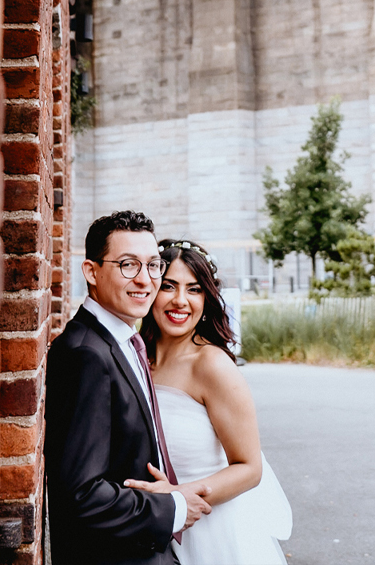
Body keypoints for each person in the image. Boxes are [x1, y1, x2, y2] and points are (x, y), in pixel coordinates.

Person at [45, 210, 208, 565]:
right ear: (91, 272)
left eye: (153, 265)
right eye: (128, 265)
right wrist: (174, 508)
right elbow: (81, 494)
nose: (145, 280)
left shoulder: (122, 339)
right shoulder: (85, 355)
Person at [129, 239, 293, 565]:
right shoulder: (134, 356)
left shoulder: (212, 366)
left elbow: (249, 468)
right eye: (169, 286)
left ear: (207, 297)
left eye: (194, 289)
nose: (180, 301)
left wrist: (179, 496)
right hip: (153, 530)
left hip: (216, 535)